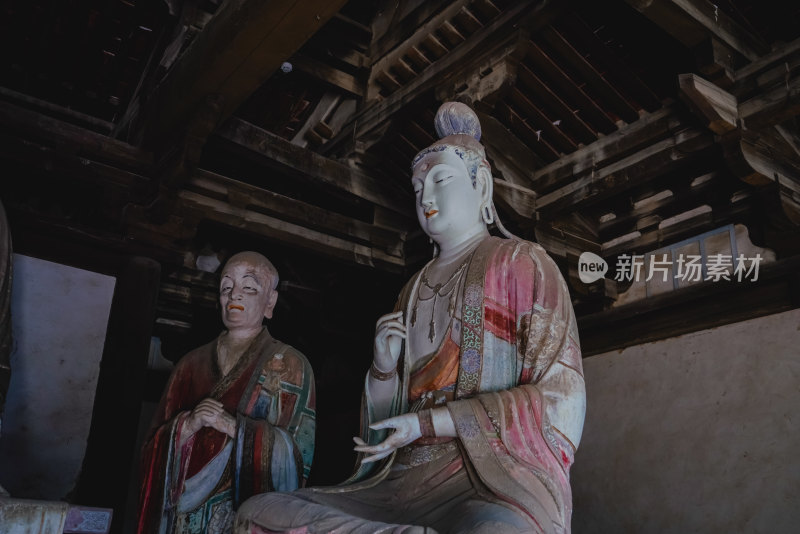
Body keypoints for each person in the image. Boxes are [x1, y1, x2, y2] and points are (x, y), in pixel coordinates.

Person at [235, 102, 585, 534]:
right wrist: (383, 371)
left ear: (481, 187)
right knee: (260, 510)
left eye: (441, 180)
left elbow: (563, 399)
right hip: (399, 482)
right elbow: (386, 426)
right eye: (418, 188)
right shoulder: (411, 290)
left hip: (489, 481)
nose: (426, 197)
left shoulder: (522, 262)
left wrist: (432, 422)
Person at [138, 251, 316, 534]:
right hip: (183, 512)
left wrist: (234, 427)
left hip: (239, 516)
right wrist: (187, 425)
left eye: (248, 287)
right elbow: (150, 449)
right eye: (226, 287)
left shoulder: (290, 364)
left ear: (270, 301)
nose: (235, 295)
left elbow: (298, 456)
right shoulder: (190, 364)